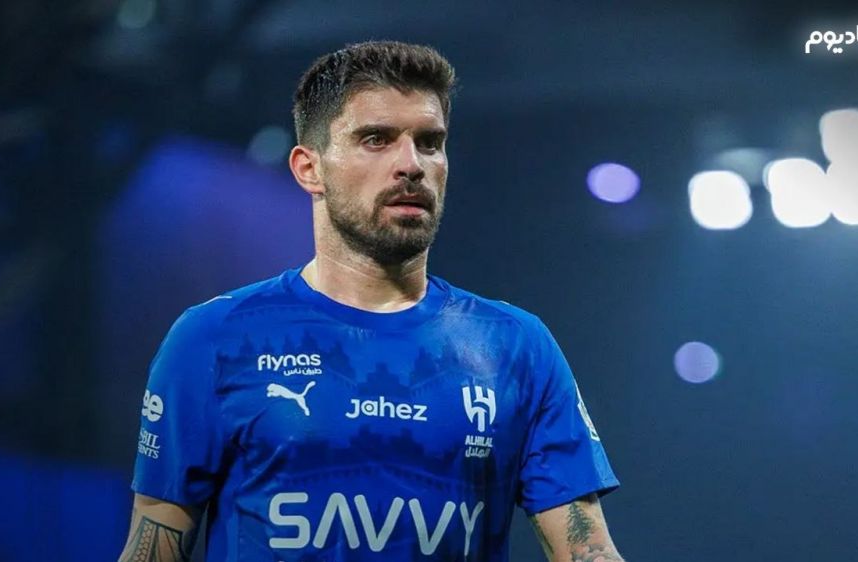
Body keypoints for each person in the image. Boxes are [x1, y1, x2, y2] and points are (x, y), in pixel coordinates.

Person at [119, 40, 625, 562]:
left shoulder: (517, 347)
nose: (411, 164)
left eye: (429, 142)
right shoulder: (214, 338)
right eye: (376, 139)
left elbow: (589, 552)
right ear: (309, 168)